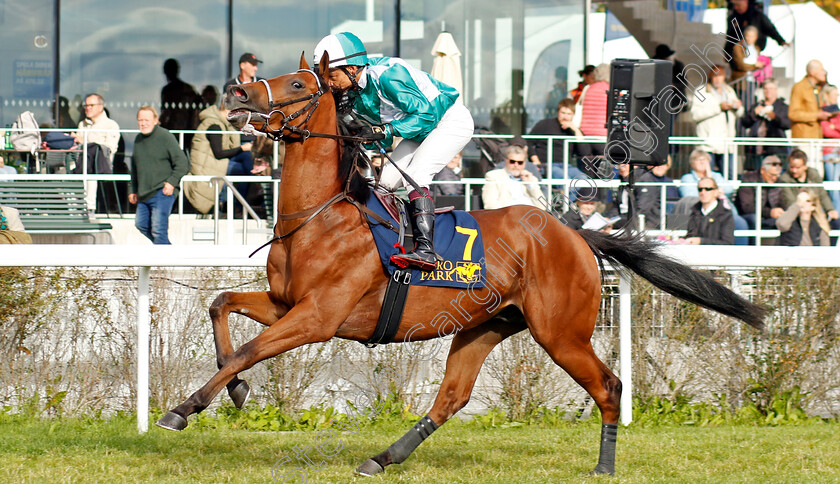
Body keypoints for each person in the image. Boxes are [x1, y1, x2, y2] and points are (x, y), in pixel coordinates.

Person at [314, 32, 474, 271]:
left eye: (332, 76)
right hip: (418, 131)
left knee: (416, 177)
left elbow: (426, 116)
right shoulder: (353, 91)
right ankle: (385, 241)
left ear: (352, 68)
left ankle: (426, 250)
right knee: (383, 184)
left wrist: (384, 130)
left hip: (449, 121)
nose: (329, 83)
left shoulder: (388, 75)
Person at [129, 106, 189, 245]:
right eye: (140, 120)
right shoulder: (138, 140)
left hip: (162, 192)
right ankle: (167, 251)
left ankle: (164, 263)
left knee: (158, 230)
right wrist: (132, 190)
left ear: (156, 120)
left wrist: (171, 182)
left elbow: (182, 162)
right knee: (141, 225)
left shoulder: (165, 136)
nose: (143, 123)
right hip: (143, 193)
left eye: (146, 120)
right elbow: (134, 168)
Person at [185, 101, 252, 214]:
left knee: (246, 159)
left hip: (214, 162)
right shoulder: (214, 125)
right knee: (246, 171)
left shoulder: (220, 123)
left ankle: (230, 204)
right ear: (228, 111)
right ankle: (233, 206)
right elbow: (219, 153)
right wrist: (242, 148)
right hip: (208, 166)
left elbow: (230, 148)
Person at [72, 93, 120, 213]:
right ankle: (70, 207)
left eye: (91, 105)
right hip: (81, 162)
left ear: (100, 107)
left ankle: (89, 209)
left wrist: (86, 142)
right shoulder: (82, 124)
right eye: (86, 105)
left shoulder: (111, 125)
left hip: (100, 165)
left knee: (90, 173)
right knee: (62, 170)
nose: (87, 108)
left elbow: (109, 149)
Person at [689, 66, 743, 171]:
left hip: (726, 144)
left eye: (720, 76)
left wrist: (737, 107)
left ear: (724, 77)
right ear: (710, 77)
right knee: (706, 175)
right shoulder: (701, 91)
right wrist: (718, 108)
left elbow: (740, 113)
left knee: (729, 177)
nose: (717, 79)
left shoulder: (729, 91)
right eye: (715, 76)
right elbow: (695, 115)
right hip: (708, 145)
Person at [527, 98, 592, 179]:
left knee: (583, 179)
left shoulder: (574, 131)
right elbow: (528, 142)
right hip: (547, 165)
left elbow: (584, 152)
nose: (565, 117)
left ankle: (567, 192)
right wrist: (536, 161)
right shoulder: (545, 124)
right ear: (558, 112)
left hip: (567, 166)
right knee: (564, 179)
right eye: (563, 113)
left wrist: (575, 130)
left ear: (573, 115)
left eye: (569, 114)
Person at [778, 150, 839, 226]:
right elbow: (790, 201)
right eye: (792, 167)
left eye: (797, 167)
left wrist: (830, 210)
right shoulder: (784, 179)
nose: (794, 170)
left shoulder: (814, 174)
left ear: (805, 166)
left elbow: (823, 195)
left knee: (836, 223)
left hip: (816, 213)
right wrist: (806, 211)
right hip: (797, 216)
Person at [740, 78, 790, 169]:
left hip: (775, 149)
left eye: (770, 89)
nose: (768, 91)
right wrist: (754, 113)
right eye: (765, 89)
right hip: (756, 149)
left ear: (776, 90)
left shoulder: (782, 107)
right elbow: (745, 122)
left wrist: (774, 117)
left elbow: (787, 124)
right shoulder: (757, 105)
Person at [789, 60, 830, 167]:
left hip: (816, 138)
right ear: (812, 72)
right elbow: (793, 114)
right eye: (821, 69)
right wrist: (816, 115)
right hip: (804, 139)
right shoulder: (799, 87)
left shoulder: (817, 88)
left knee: (817, 173)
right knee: (807, 170)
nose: (824, 72)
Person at [734, 154, 785, 229]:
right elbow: (747, 207)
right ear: (762, 170)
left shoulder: (779, 183)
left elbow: (782, 202)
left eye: (777, 175)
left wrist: (781, 211)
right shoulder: (748, 180)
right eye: (772, 175)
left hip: (770, 217)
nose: (774, 178)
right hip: (749, 215)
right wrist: (769, 212)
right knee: (754, 219)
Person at [681, 177, 735, 245]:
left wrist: (701, 241)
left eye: (708, 189)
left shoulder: (726, 215)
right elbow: (691, 236)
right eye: (700, 189)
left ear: (716, 192)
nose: (703, 192)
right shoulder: (694, 212)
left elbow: (727, 243)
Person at [160, 58, 200, 148]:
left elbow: (166, 112)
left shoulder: (170, 90)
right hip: (183, 131)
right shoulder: (187, 89)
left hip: (181, 132)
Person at [636, 157, 680, 229]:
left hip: (669, 220)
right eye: (656, 164)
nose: (660, 167)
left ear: (668, 166)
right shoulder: (645, 180)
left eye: (663, 164)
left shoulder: (670, 183)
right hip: (651, 221)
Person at [819, 84, 840, 212]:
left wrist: (835, 127)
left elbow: (833, 129)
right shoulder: (823, 111)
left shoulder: (837, 111)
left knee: (836, 185)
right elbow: (826, 131)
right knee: (833, 185)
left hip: (838, 150)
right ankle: (836, 213)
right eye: (835, 94)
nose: (837, 97)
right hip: (829, 152)